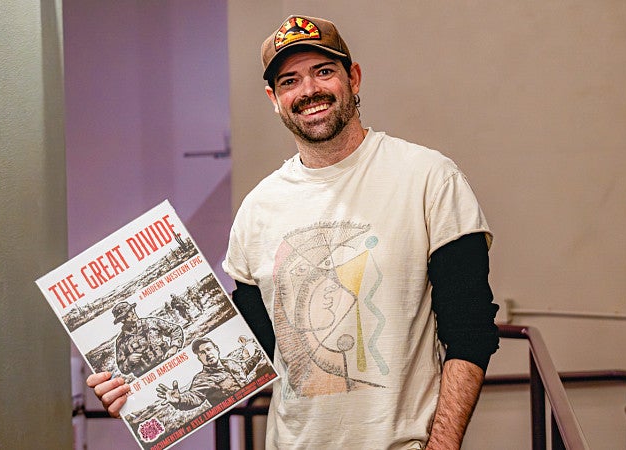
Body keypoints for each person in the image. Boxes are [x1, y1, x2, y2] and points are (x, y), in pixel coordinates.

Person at [89, 14, 499, 449]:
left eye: (323, 71)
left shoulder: (428, 179)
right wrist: (139, 389)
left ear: (353, 78)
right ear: (274, 97)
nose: (309, 91)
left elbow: (470, 329)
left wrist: (443, 445)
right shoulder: (257, 211)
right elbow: (248, 353)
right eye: (290, 81)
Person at [155, 337, 265, 410]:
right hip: (233, 414)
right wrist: (179, 400)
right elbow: (194, 396)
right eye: (202, 353)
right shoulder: (202, 379)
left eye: (209, 349)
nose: (207, 354)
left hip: (256, 404)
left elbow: (244, 367)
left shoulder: (229, 363)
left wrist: (259, 355)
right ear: (199, 358)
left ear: (216, 349)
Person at [111, 301, 184, 377]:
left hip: (169, 364)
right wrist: (128, 361)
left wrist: (174, 347)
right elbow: (122, 368)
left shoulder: (150, 322)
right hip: (148, 376)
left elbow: (175, 329)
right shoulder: (121, 341)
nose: (134, 313)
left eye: (132, 310)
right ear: (123, 320)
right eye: (129, 313)